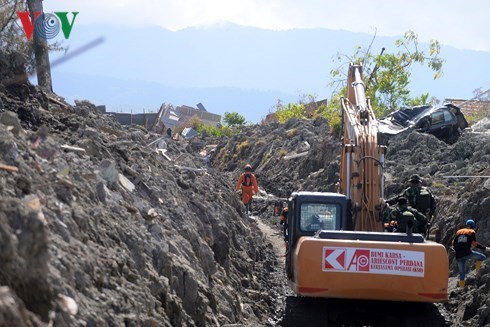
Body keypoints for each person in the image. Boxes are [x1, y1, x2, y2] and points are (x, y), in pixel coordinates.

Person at [452, 219, 488, 288]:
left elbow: (453, 243)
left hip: (458, 255)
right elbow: (475, 244)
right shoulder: (471, 232)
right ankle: (478, 273)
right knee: (482, 257)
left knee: (462, 273)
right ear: (473, 226)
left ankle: (461, 288)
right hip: (467, 253)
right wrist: (485, 248)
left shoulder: (459, 231)